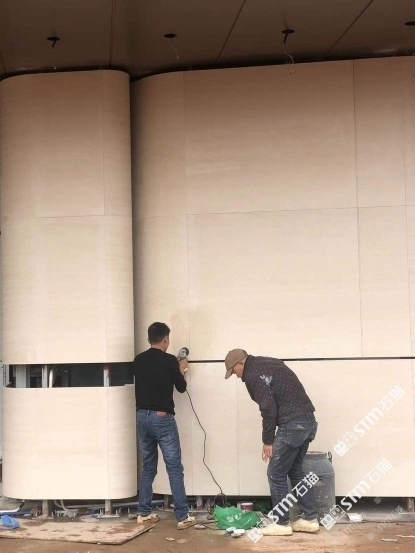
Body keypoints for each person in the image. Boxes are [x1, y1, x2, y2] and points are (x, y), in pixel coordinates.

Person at [224, 349, 319, 536]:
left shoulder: (252, 374)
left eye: (234, 371)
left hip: (292, 424)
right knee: (295, 471)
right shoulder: (268, 363)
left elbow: (268, 407)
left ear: (240, 364)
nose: (236, 375)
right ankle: (310, 519)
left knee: (275, 473)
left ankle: (282, 523)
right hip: (308, 421)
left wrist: (268, 441)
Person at [132, 322, 196, 530]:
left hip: (142, 417)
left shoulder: (138, 360)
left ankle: (144, 513)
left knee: (148, 467)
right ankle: (182, 517)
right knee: (174, 468)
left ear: (149, 339)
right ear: (166, 339)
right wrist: (181, 369)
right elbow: (181, 387)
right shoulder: (170, 361)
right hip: (162, 419)